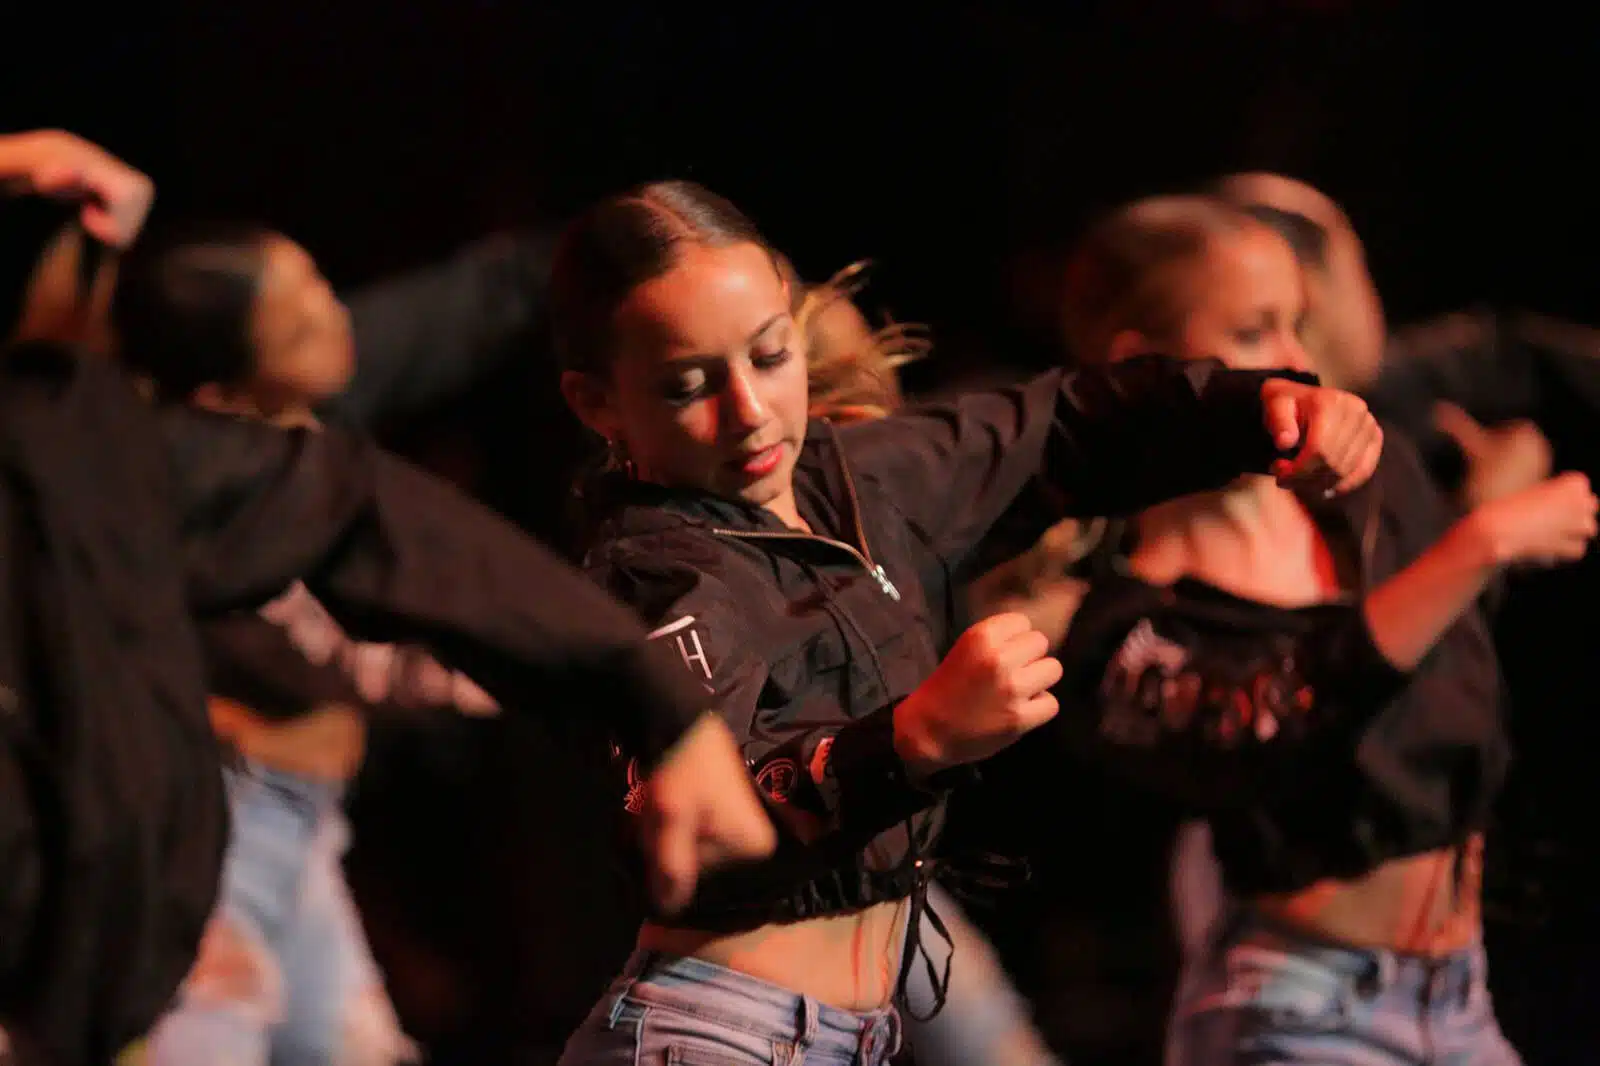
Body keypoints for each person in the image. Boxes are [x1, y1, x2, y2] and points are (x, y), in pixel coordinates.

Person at [547, 180, 1381, 1066]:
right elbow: (700, 823)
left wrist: (1258, 409)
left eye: (770, 354)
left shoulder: (863, 480)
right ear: (597, 404)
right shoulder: (657, 572)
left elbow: (1060, 426)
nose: (749, 410)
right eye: (687, 385)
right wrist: (914, 739)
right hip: (721, 1038)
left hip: (841, 1032)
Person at [0, 131, 776, 1066]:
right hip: (217, 842)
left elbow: (385, 473)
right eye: (299, 315)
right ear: (214, 392)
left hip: (286, 830)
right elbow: (351, 634)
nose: (334, 319)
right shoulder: (118, 492)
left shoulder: (224, 456)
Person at [1027, 193, 1593, 1065]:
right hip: (1303, 1018)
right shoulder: (1130, 625)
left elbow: (1426, 653)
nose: (1298, 361)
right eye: (1256, 332)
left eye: (1298, 324)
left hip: (1460, 996)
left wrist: (1480, 525)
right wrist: (1482, 542)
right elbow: (1278, 715)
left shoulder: (1366, 484)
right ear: (1141, 364)